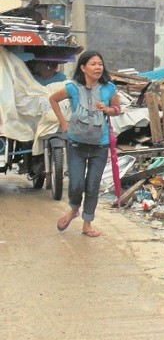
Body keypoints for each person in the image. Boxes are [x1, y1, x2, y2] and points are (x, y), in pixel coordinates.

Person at [49, 51, 121, 238]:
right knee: (76, 184)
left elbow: (117, 109)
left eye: (100, 64)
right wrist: (64, 124)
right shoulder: (73, 87)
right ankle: (74, 210)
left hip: (100, 145)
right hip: (76, 144)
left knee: (92, 186)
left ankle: (87, 224)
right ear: (83, 68)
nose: (98, 67)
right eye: (93, 64)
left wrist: (107, 109)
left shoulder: (109, 88)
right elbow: (53, 99)